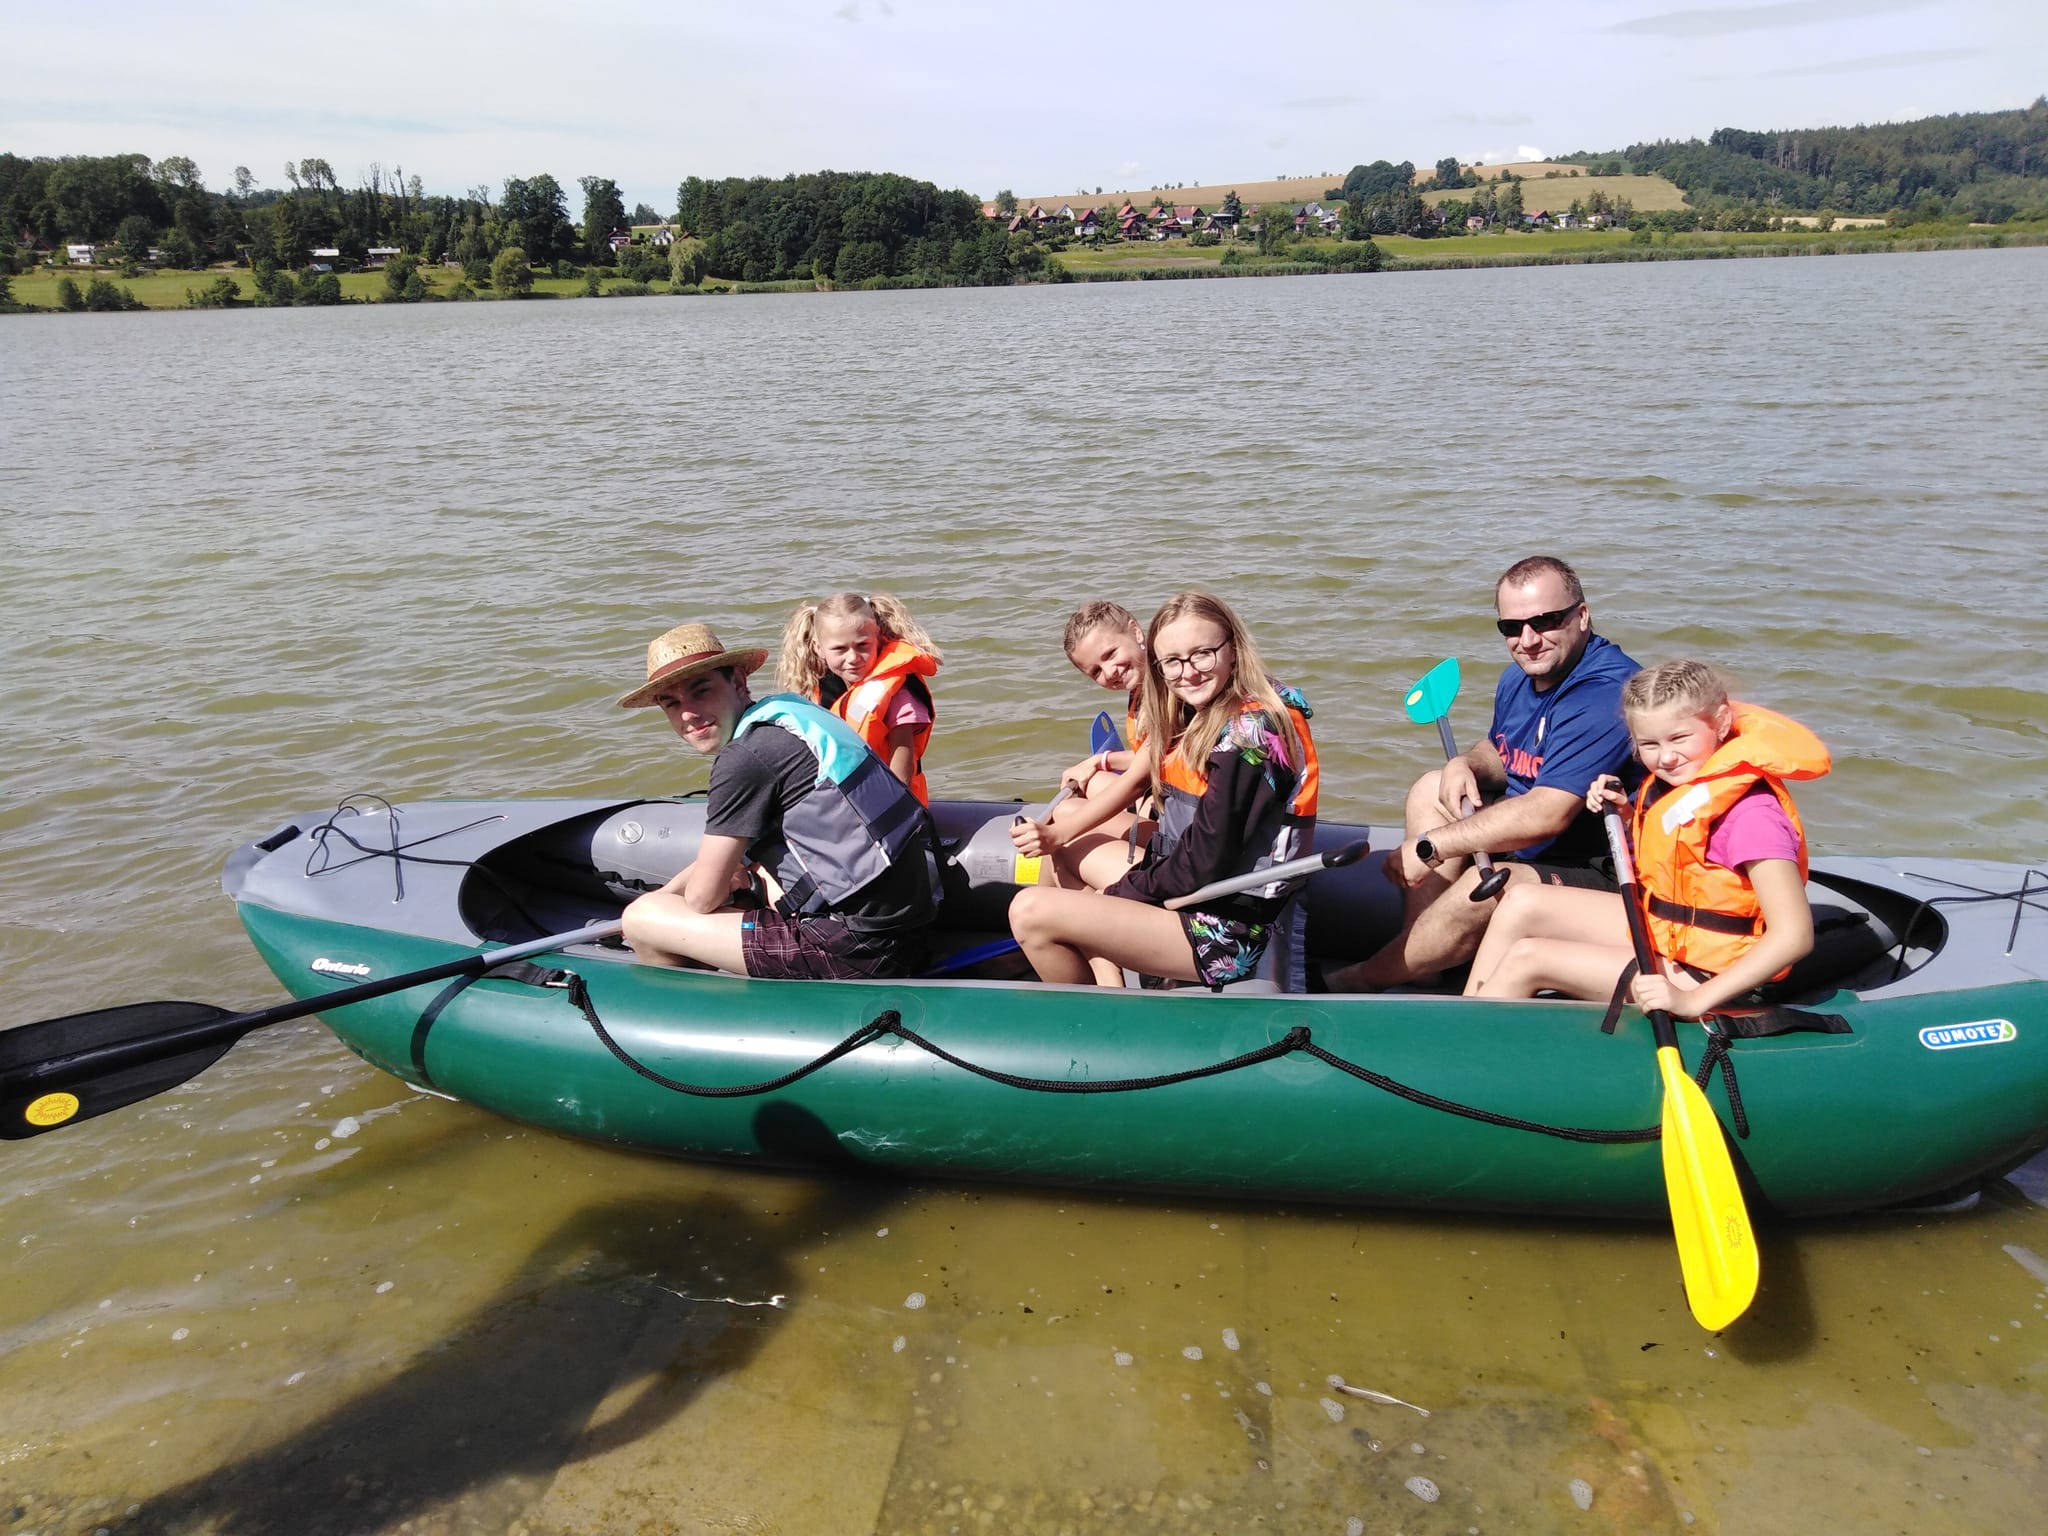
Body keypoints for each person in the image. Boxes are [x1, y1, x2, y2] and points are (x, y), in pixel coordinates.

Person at [1328, 555, 1639, 991]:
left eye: (1545, 621)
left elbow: (1545, 814)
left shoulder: (1604, 695)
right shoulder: (1519, 678)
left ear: (1582, 616)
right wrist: (1468, 762)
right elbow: (1503, 749)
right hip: (1535, 844)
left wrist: (1430, 847)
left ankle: (1358, 981)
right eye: (1511, 627)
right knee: (1430, 788)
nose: (1528, 640)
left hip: (1598, 866)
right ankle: (1423, 959)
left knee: (1482, 886)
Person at [1463, 659, 1827, 1017]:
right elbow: (1678, 863)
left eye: (1679, 738)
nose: (1666, 757)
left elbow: (1793, 936)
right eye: (1649, 744)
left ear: (1720, 722)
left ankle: (1466, 1041)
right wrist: (1625, 815)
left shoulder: (1752, 815)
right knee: (1521, 902)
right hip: (1671, 936)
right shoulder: (1680, 785)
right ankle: (1461, 1016)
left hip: (1717, 975)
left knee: (1528, 958)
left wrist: (1692, 1001)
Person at [1009, 592, 1318, 989]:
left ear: (1233, 648)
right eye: (1172, 662)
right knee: (1064, 856)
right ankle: (1107, 979)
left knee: (1029, 912)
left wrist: (1115, 894)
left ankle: (1099, 1013)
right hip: (1198, 890)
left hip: (1227, 928)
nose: (1187, 673)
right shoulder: (1204, 709)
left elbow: (1202, 863)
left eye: (1202, 654)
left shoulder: (1249, 736)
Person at [617, 621, 939, 980]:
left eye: (701, 691)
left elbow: (702, 899)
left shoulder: (745, 758)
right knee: (731, 885)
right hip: (913, 926)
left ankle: (696, 1006)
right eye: (671, 703)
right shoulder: (792, 716)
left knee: (641, 918)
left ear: (738, 681)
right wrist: (669, 892)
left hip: (858, 951)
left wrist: (662, 902)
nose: (688, 713)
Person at [1010, 601, 1158, 896]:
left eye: (1110, 654)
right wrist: (1099, 761)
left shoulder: (1169, 690)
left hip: (1187, 836)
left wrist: (1056, 835)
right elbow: (1155, 755)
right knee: (1076, 799)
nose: (1110, 672)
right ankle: (1077, 903)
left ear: (1135, 631)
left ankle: (1081, 907)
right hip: (1173, 813)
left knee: (1064, 831)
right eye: (1096, 671)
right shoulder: (1145, 686)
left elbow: (1138, 780)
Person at [776, 592, 943, 804]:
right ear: (818, 648)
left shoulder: (897, 693)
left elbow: (902, 768)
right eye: (840, 649)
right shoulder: (821, 691)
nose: (853, 658)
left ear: (877, 637)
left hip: (891, 806)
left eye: (862, 645)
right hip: (846, 803)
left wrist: (892, 811)